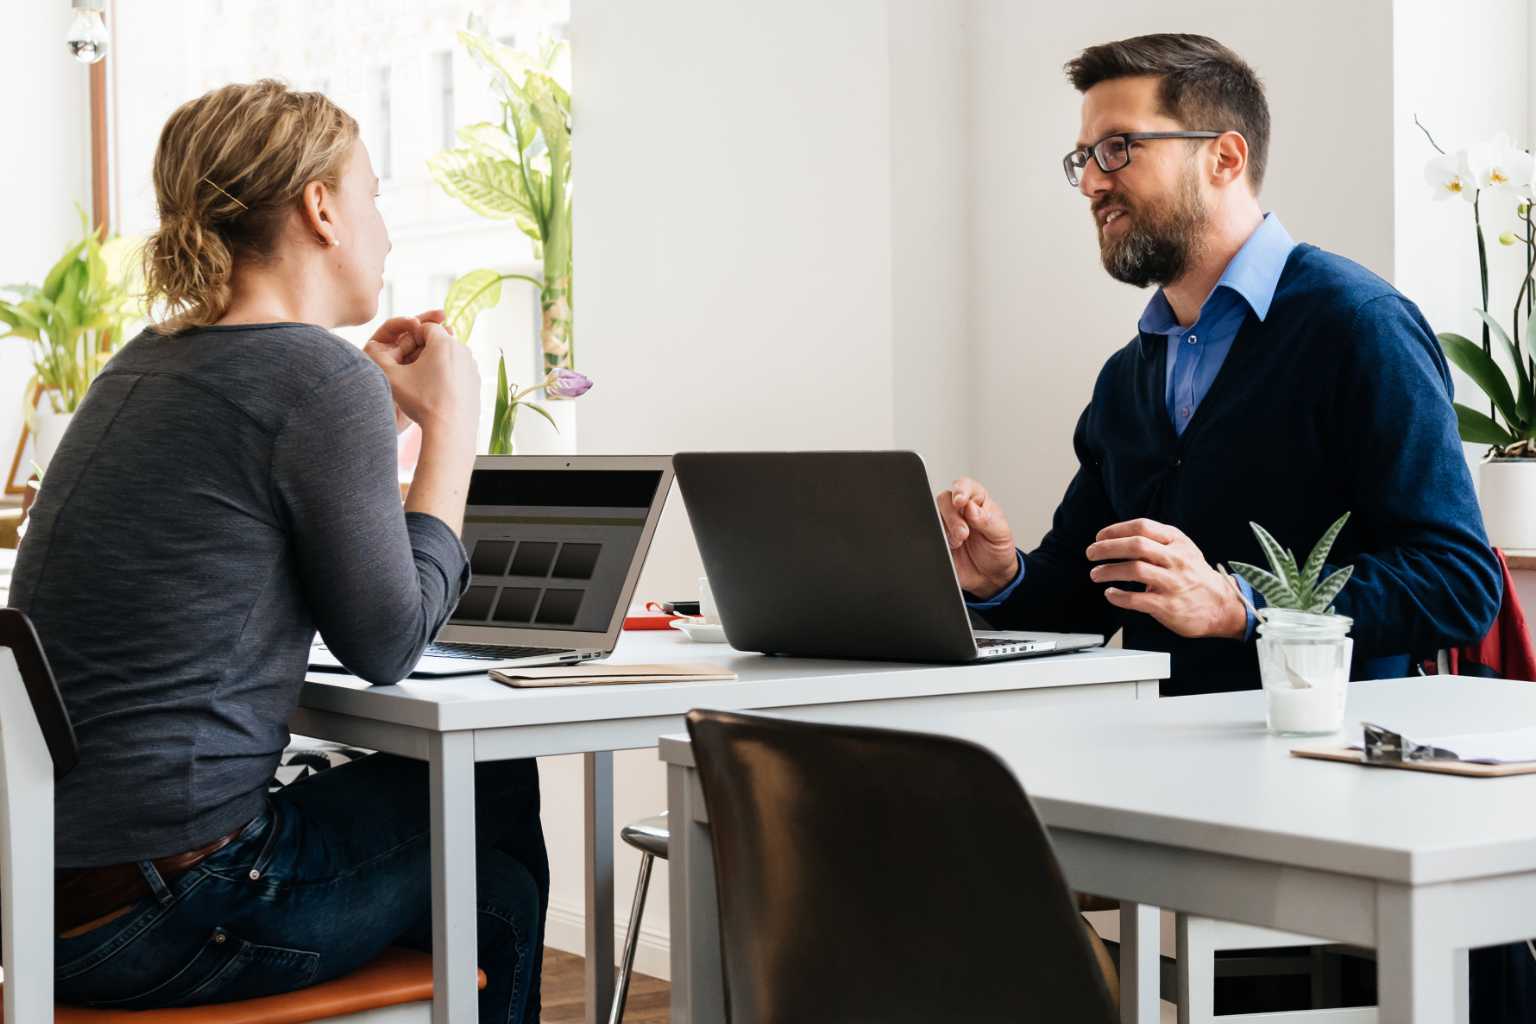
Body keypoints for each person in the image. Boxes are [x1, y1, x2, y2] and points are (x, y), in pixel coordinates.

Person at [8, 80, 547, 1023]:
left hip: (46, 904)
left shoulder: (143, 361)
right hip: (177, 909)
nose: (384, 226)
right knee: (496, 798)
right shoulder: (310, 373)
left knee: (481, 869)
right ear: (321, 208)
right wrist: (451, 428)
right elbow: (388, 647)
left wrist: (366, 412)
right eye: (373, 196)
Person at [938, 34, 1501, 696]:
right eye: (1084, 157)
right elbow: (1080, 603)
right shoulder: (1128, 377)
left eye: (1119, 147)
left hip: (1324, 762)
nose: (1092, 181)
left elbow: (1457, 581)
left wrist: (1243, 607)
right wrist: (1003, 577)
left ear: (1225, 157)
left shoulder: (1358, 326)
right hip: (1160, 769)